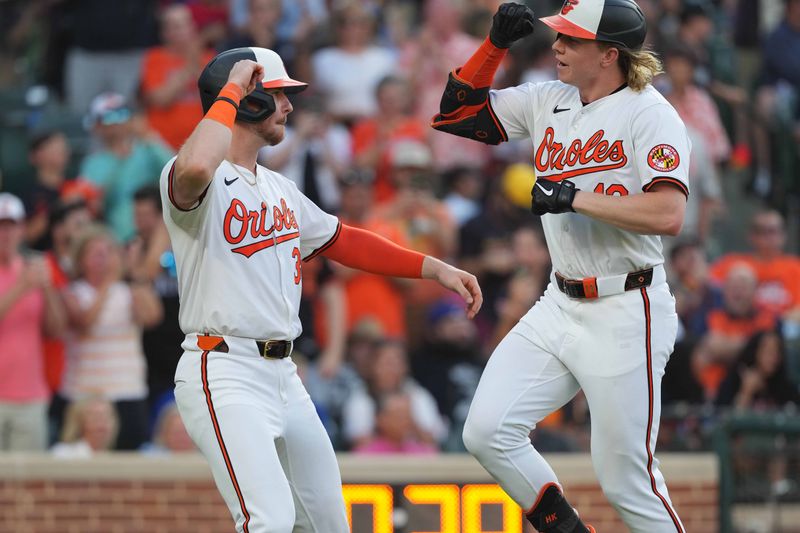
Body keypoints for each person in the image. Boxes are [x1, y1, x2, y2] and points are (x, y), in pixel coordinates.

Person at [161, 46, 482, 532]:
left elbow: (343, 240)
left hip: (284, 373)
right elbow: (195, 171)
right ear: (248, 100)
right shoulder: (189, 172)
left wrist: (432, 267)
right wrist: (231, 88)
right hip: (223, 368)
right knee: (268, 520)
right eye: (279, 94)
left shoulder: (276, 186)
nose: (290, 106)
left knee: (329, 524)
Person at [431, 2, 691, 531]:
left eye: (572, 40)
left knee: (626, 481)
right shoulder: (550, 98)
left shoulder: (650, 112)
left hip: (627, 306)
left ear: (609, 53)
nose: (557, 46)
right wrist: (494, 47)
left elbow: (669, 213)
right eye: (558, 37)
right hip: (560, 301)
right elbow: (455, 116)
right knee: (486, 430)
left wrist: (577, 198)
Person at [0, 193, 66, 451]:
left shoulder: (32, 267)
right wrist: (20, 288)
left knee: (28, 486)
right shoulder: (25, 276)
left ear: (22, 230)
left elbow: (56, 329)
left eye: (11, 226)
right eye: (1, 226)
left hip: (29, 395)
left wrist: (48, 288)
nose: (5, 233)